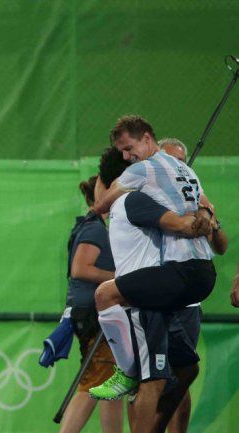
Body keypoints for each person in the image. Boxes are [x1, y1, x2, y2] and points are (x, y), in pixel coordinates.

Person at [89, 116, 215, 432]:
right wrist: (203, 219)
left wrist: (102, 191)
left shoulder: (137, 183)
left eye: (130, 148)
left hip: (175, 277)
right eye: (124, 153)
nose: (129, 156)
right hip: (198, 277)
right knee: (184, 369)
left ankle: (126, 371)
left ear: (147, 138)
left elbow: (101, 205)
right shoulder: (185, 169)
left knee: (106, 294)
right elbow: (207, 209)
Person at [155, 138, 228, 433]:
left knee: (181, 376)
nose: (178, 167)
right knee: (152, 378)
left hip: (187, 306)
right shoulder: (151, 195)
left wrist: (211, 220)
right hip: (158, 298)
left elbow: (221, 247)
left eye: (182, 162)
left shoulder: (198, 197)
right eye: (171, 161)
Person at [60, 146, 130, 433]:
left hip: (96, 312)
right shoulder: (93, 229)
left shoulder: (96, 228)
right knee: (92, 383)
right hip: (94, 314)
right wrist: (120, 278)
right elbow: (80, 269)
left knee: (109, 382)